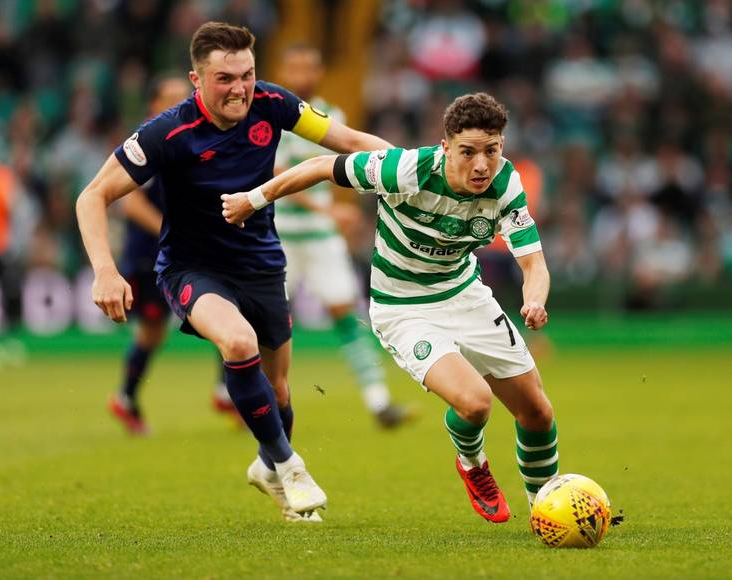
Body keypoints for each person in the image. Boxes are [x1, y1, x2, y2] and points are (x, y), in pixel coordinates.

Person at [76, 21, 392, 522]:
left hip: (262, 263)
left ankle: (267, 469)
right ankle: (290, 467)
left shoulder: (274, 104)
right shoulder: (166, 132)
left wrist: (412, 166)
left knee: (280, 391)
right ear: (196, 79)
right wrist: (104, 271)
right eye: (225, 78)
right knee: (238, 344)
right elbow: (92, 196)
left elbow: (347, 139)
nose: (240, 88)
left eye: (246, 74)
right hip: (192, 267)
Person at [222, 93, 558, 523]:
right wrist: (254, 199)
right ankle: (473, 464)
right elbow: (321, 166)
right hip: (403, 308)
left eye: (491, 151)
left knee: (537, 411)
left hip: (465, 295)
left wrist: (534, 299)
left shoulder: (506, 183)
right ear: (445, 147)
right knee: (474, 404)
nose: (480, 165)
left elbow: (533, 262)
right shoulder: (406, 169)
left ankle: (545, 508)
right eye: (468, 152)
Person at [274, 44, 412, 428]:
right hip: (280, 235)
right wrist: (329, 209)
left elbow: (340, 165)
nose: (302, 74)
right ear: (285, 72)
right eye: (295, 66)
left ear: (317, 73)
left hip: (320, 238)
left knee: (346, 313)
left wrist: (341, 210)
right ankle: (243, 397)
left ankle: (379, 402)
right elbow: (277, 176)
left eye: (309, 67)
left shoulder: (331, 116)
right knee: (264, 321)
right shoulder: (272, 117)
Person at [108, 76, 239, 435]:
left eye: (183, 97)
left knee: (222, 310)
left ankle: (226, 391)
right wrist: (174, 227)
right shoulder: (149, 143)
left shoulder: (196, 137)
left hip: (188, 251)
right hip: (151, 254)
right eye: (168, 98)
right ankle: (127, 397)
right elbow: (131, 204)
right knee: (153, 332)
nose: (177, 104)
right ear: (153, 105)